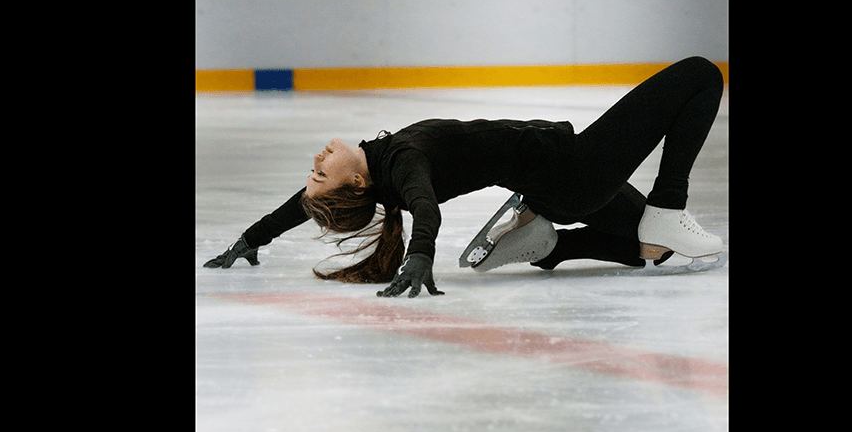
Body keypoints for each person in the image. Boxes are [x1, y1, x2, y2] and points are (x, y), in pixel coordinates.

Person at [203, 56, 725, 299]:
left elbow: (299, 205)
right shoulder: (403, 163)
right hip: (575, 171)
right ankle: (668, 207)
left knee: (652, 253)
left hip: (558, 189)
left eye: (313, 171)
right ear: (356, 185)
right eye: (320, 171)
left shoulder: (380, 171)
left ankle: (552, 248)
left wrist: (250, 239)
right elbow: (426, 208)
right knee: (701, 75)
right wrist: (420, 255)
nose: (317, 158)